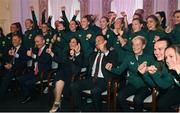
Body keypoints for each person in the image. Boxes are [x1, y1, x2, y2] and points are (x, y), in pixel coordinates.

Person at [105, 36, 154, 111]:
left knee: (137, 99)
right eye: (133, 45)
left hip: (145, 86)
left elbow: (154, 74)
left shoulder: (149, 58)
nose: (134, 47)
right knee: (120, 96)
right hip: (132, 85)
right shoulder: (129, 57)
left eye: (137, 44)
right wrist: (110, 68)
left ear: (143, 46)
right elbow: (119, 71)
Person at [70, 35, 118, 111]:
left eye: (99, 40)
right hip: (91, 79)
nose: (96, 43)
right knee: (74, 85)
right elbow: (83, 64)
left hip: (104, 80)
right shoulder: (93, 54)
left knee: (95, 91)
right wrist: (77, 53)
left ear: (105, 42)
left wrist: (105, 51)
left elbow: (114, 65)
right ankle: (80, 109)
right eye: (96, 41)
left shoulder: (112, 53)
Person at [47, 37, 84, 113]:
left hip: (72, 78)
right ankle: (57, 101)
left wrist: (75, 55)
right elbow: (60, 60)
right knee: (60, 76)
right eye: (70, 42)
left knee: (61, 74)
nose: (71, 43)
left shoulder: (81, 55)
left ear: (78, 44)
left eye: (73, 42)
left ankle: (56, 103)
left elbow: (76, 70)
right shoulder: (67, 53)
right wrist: (51, 53)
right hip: (62, 76)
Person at [18, 35, 52, 104]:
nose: (36, 43)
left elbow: (44, 60)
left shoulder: (48, 49)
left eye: (38, 41)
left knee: (28, 83)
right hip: (35, 72)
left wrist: (33, 55)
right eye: (35, 42)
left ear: (43, 41)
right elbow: (28, 57)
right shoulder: (36, 49)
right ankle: (29, 95)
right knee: (20, 79)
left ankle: (29, 96)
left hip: (43, 73)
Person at [0, 34, 28, 100]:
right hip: (7, 67)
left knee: (6, 77)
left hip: (17, 69)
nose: (13, 41)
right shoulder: (10, 48)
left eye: (15, 40)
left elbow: (24, 62)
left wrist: (12, 65)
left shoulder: (24, 49)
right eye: (12, 40)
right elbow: (4, 58)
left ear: (20, 41)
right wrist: (5, 64)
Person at [156, 44, 180, 111]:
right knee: (161, 104)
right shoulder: (173, 69)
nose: (167, 60)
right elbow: (164, 85)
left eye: (171, 56)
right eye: (166, 57)